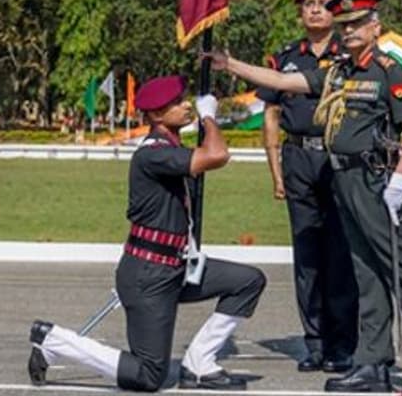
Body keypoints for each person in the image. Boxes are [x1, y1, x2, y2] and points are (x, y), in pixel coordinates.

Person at [208, 0, 402, 396]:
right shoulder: (339, 71)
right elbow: (282, 81)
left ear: (375, 28)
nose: (348, 31)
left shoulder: (388, 71)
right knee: (365, 273)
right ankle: (372, 362)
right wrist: (231, 64)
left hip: (376, 180)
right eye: (344, 25)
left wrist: (399, 179)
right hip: (343, 180)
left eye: (356, 25)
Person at [27, 75, 267, 392]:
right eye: (178, 103)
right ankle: (53, 339)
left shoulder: (171, 148)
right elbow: (218, 155)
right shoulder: (153, 154)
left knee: (248, 281)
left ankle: (199, 363)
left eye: (185, 100)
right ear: (155, 115)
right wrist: (209, 116)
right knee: (148, 375)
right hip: (149, 275)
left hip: (178, 267)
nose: (186, 106)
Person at [257, 0, 357, 373]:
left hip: (336, 159)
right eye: (309, 4)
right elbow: (271, 114)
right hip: (298, 158)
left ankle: (343, 344)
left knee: (340, 254)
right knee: (307, 257)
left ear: (336, 12)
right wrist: (276, 169)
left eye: (323, 4)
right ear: (300, 13)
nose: (316, 10)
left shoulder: (349, 55)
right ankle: (314, 344)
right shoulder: (286, 58)